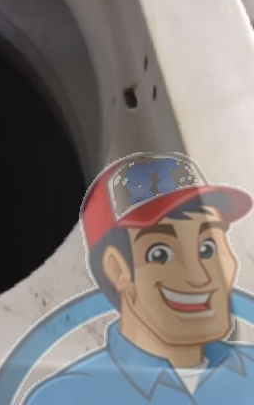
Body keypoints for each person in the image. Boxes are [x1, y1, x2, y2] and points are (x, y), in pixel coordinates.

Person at [25, 152, 254, 403]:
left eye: (207, 249)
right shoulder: (67, 397)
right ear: (116, 269)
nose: (199, 277)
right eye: (160, 254)